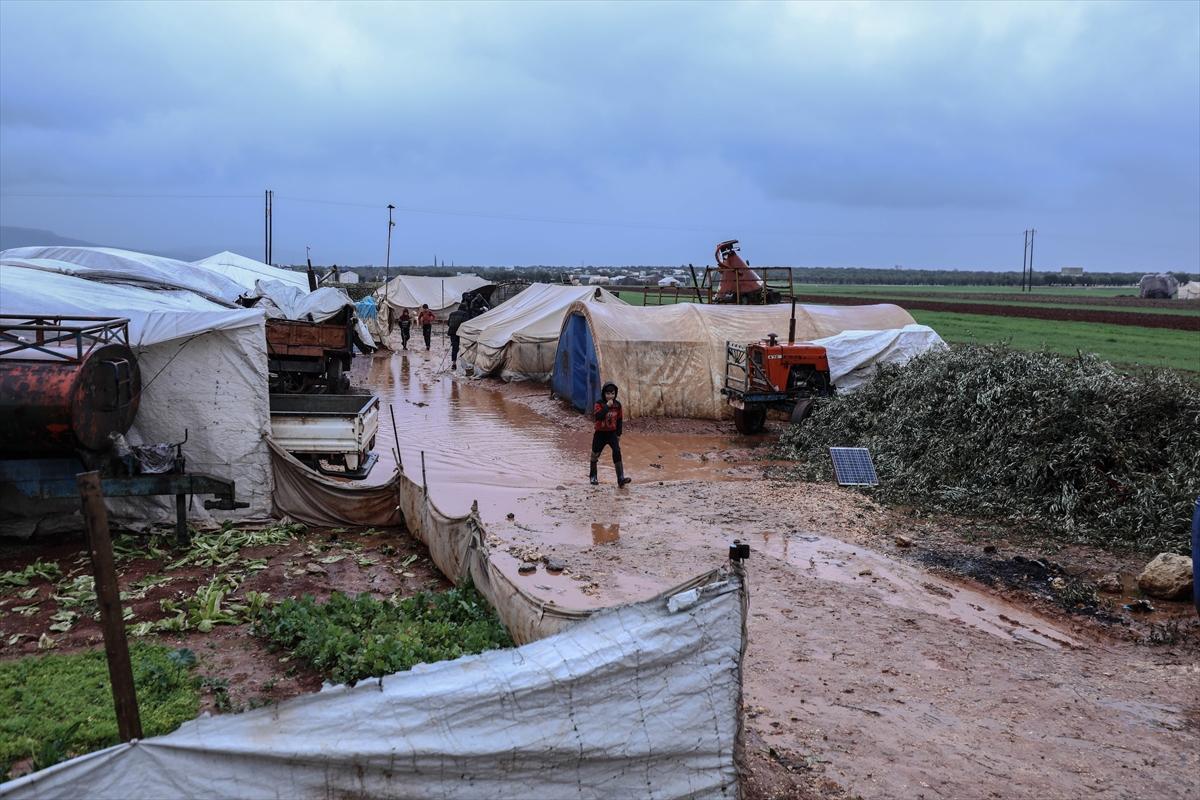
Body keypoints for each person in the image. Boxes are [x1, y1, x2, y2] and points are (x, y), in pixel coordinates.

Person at [590, 382, 631, 487]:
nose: (610, 396)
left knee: (617, 451)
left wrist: (618, 434)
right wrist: (607, 407)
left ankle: (620, 478)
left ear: (615, 394)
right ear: (604, 394)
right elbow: (598, 416)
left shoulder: (617, 405)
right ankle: (593, 477)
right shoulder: (599, 404)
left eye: (612, 394)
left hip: (612, 433)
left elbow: (619, 420)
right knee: (595, 455)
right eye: (607, 394)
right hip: (600, 434)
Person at [446, 301, 469, 370]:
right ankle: (464, 364)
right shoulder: (465, 314)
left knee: (454, 348)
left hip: (452, 332)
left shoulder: (452, 314)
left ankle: (454, 363)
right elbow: (466, 324)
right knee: (463, 347)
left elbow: (448, 323)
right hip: (460, 333)